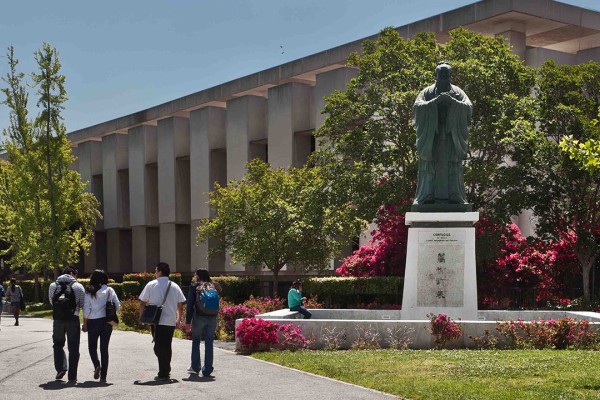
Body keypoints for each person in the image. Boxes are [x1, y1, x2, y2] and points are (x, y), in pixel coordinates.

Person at [413, 61, 473, 205]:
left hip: (451, 136)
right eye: (442, 73)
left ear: (450, 75)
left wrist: (452, 101)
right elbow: (417, 107)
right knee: (429, 167)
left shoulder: (458, 92)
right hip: (432, 137)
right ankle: (427, 196)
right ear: (436, 74)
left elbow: (468, 107)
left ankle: (455, 195)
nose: (445, 76)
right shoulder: (427, 92)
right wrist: (435, 102)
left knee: (453, 168)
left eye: (447, 73)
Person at [139, 262, 186, 381]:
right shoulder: (175, 286)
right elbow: (181, 304)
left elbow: (142, 302)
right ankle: (166, 369)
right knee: (166, 345)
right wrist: (178, 319)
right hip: (170, 321)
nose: (154, 273)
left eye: (155, 271)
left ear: (160, 271)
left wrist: (142, 317)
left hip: (156, 321)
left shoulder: (151, 284)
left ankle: (164, 372)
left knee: (158, 347)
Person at [82, 270, 120, 383]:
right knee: (104, 349)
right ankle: (103, 377)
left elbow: (86, 310)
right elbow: (118, 306)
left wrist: (85, 324)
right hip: (107, 322)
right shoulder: (109, 290)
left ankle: (96, 365)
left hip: (93, 322)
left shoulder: (88, 291)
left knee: (92, 347)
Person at [49, 267, 85, 383]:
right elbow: (82, 304)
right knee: (73, 348)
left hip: (58, 320)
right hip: (73, 319)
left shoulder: (53, 286)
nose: (76, 276)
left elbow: (52, 302)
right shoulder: (78, 286)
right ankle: (72, 376)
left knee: (58, 344)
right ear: (71, 273)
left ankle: (61, 368)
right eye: (76, 274)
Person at [185, 268, 221, 376]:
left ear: (198, 276)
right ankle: (208, 369)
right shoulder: (213, 286)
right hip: (212, 317)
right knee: (209, 343)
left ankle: (195, 367)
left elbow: (190, 305)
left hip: (199, 317)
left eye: (195, 275)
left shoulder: (195, 286)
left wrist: (187, 321)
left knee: (196, 341)